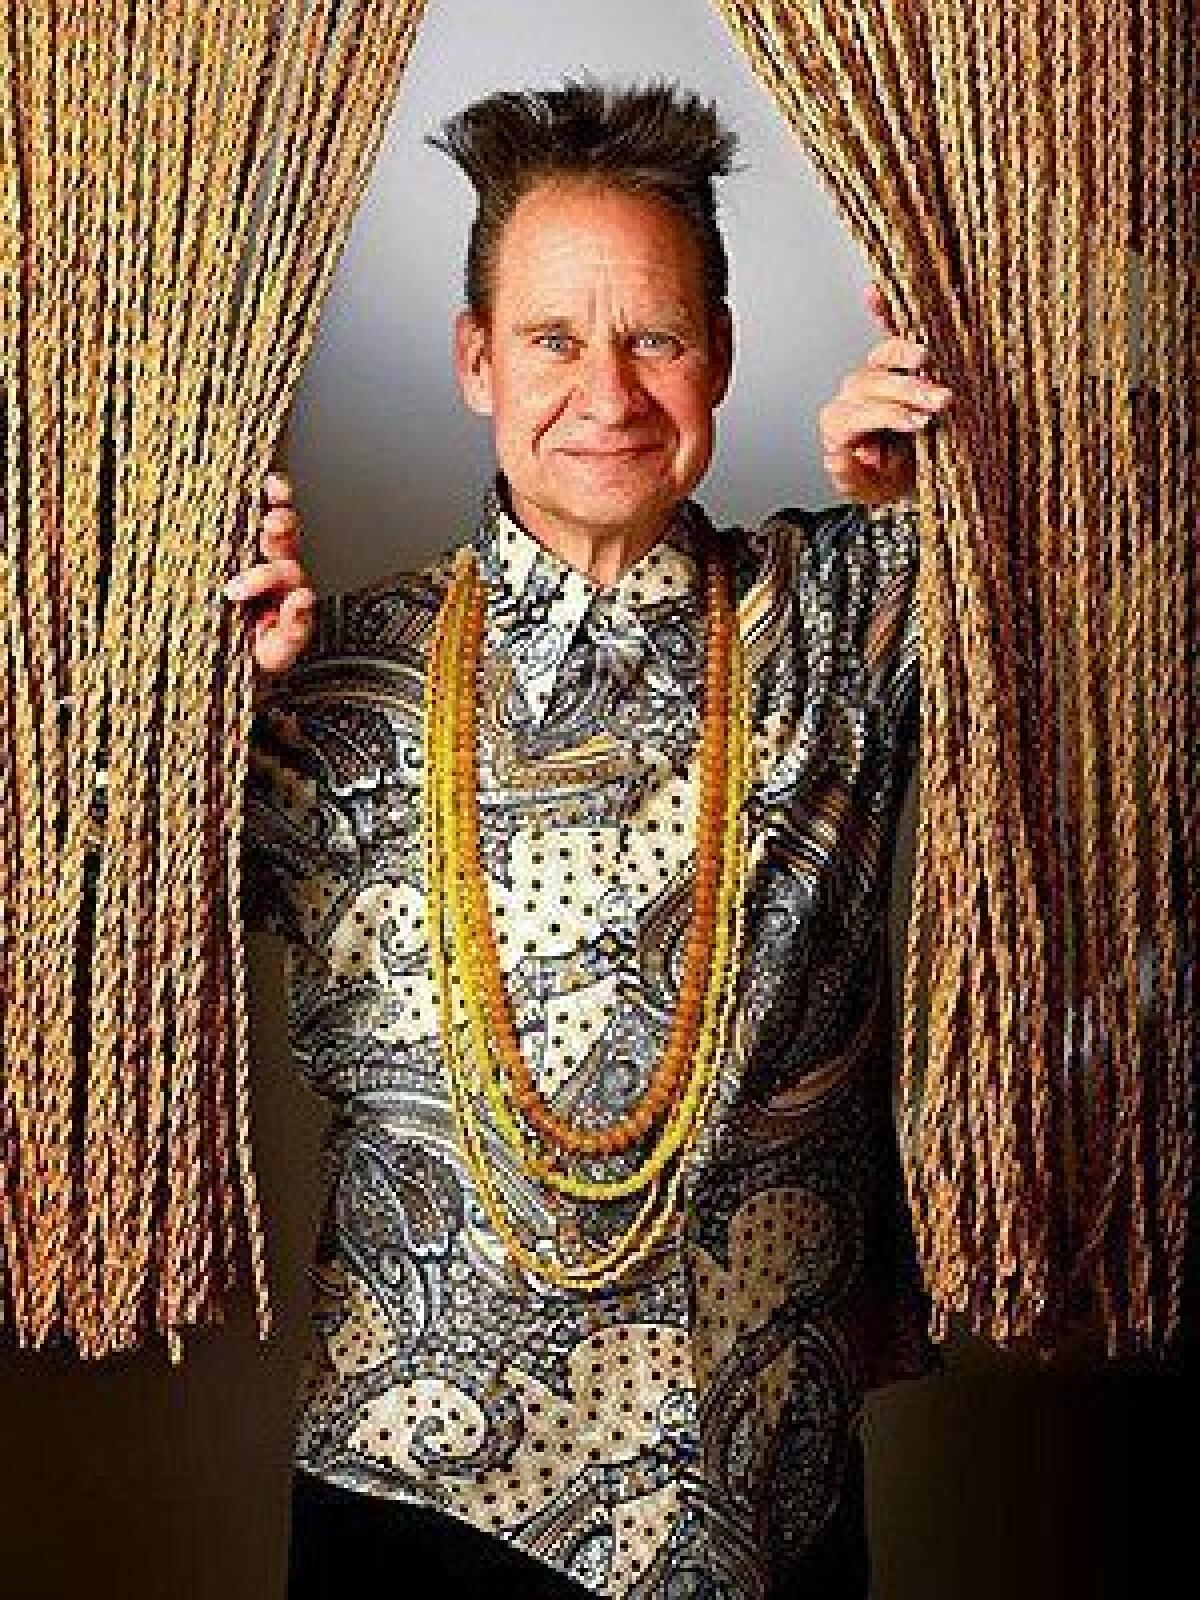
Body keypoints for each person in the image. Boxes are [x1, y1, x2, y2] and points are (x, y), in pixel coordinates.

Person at [227, 80, 954, 1600]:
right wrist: (182, 716)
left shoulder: (844, 618)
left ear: (725, 358)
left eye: (659, 339)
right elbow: (89, 955)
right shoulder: (331, 683)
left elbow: (1122, 558)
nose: (609, 394)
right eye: (555, 339)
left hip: (767, 1504)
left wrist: (944, 475)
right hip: (416, 1517)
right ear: (477, 360)